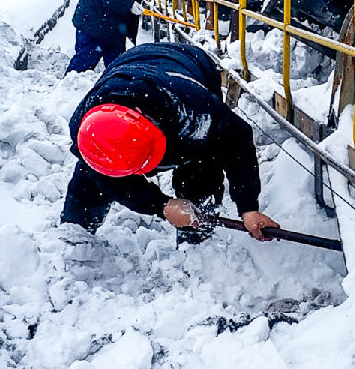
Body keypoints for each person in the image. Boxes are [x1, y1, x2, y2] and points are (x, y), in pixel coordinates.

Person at [60, 41, 280, 243]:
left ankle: (196, 235)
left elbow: (237, 143)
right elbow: (108, 179)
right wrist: (162, 206)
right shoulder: (85, 128)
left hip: (190, 63)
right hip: (130, 65)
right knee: (90, 177)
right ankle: (76, 234)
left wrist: (248, 207)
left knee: (201, 167)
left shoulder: (193, 111)